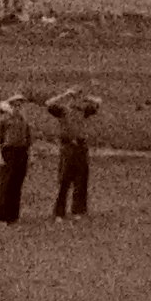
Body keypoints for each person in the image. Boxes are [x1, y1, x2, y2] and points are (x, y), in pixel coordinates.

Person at [47, 89, 99, 222]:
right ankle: (59, 212)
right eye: (73, 97)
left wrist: (86, 97)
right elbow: (48, 103)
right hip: (68, 146)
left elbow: (98, 103)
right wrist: (64, 94)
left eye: (77, 98)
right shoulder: (62, 110)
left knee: (81, 179)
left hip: (81, 147)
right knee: (64, 179)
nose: (75, 100)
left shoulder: (83, 111)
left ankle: (78, 211)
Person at [0, 94, 34, 225]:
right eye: (15, 105)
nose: (18, 108)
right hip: (8, 152)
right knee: (6, 184)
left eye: (20, 105)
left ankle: (13, 216)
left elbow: (28, 140)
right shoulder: (4, 120)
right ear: (11, 106)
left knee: (17, 184)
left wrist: (30, 155)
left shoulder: (24, 121)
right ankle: (2, 216)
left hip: (21, 152)